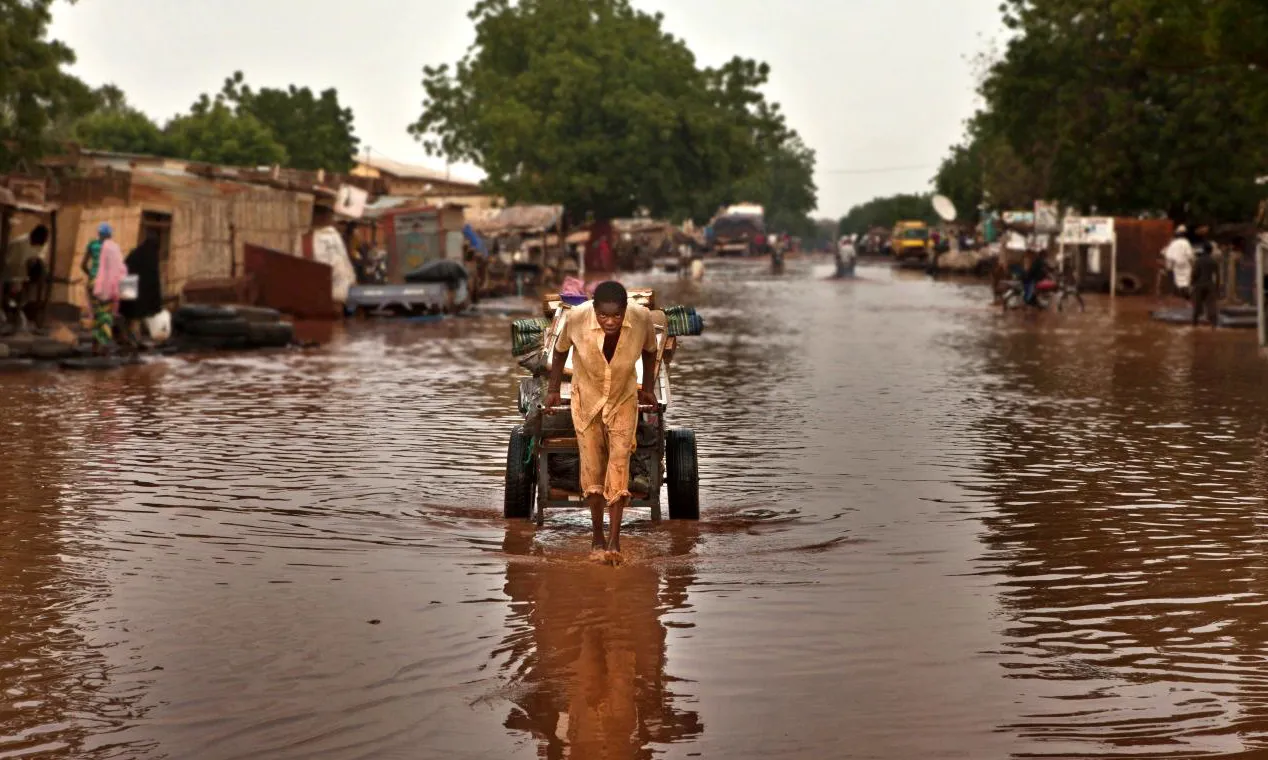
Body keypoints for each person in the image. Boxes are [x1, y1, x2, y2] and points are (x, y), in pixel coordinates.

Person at [544, 281, 658, 561]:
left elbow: (651, 351)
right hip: (587, 400)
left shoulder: (642, 318)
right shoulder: (576, 317)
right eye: (604, 315)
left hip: (622, 398)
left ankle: (614, 542)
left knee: (619, 464)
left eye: (616, 316)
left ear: (625, 311)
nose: (610, 322)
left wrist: (649, 388)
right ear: (594, 310)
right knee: (592, 470)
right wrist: (553, 390)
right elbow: (559, 353)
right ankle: (596, 537)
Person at [82, 222, 126, 353]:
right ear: (110, 235)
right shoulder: (114, 248)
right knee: (106, 315)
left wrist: (92, 275)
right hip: (107, 285)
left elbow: (83, 265)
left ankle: (94, 347)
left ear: (99, 234)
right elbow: (118, 269)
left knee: (96, 314)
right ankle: (104, 347)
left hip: (93, 283)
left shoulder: (92, 244)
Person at [3, 223, 49, 329]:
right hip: (12, 274)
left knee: (21, 298)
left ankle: (20, 312)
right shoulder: (19, 243)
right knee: (11, 296)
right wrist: (16, 279)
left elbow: (40, 257)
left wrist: (35, 262)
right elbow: (10, 263)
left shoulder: (41, 244)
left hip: (28, 274)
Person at [1191, 234, 1221, 327]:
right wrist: (1216, 287)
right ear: (1211, 251)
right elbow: (1217, 275)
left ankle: (1194, 326)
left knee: (1197, 307)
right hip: (1210, 285)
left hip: (1199, 285)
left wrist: (1192, 283)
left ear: (1203, 250)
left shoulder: (1198, 260)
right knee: (1211, 306)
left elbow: (1194, 273)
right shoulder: (1213, 261)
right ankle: (1214, 326)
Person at [1163, 224, 1194, 298]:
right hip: (1185, 264)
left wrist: (1169, 265)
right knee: (1186, 278)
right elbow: (1189, 254)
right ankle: (1186, 292)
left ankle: (1182, 291)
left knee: (1179, 279)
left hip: (1176, 264)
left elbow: (1168, 254)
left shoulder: (1173, 243)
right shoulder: (1186, 243)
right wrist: (1192, 262)